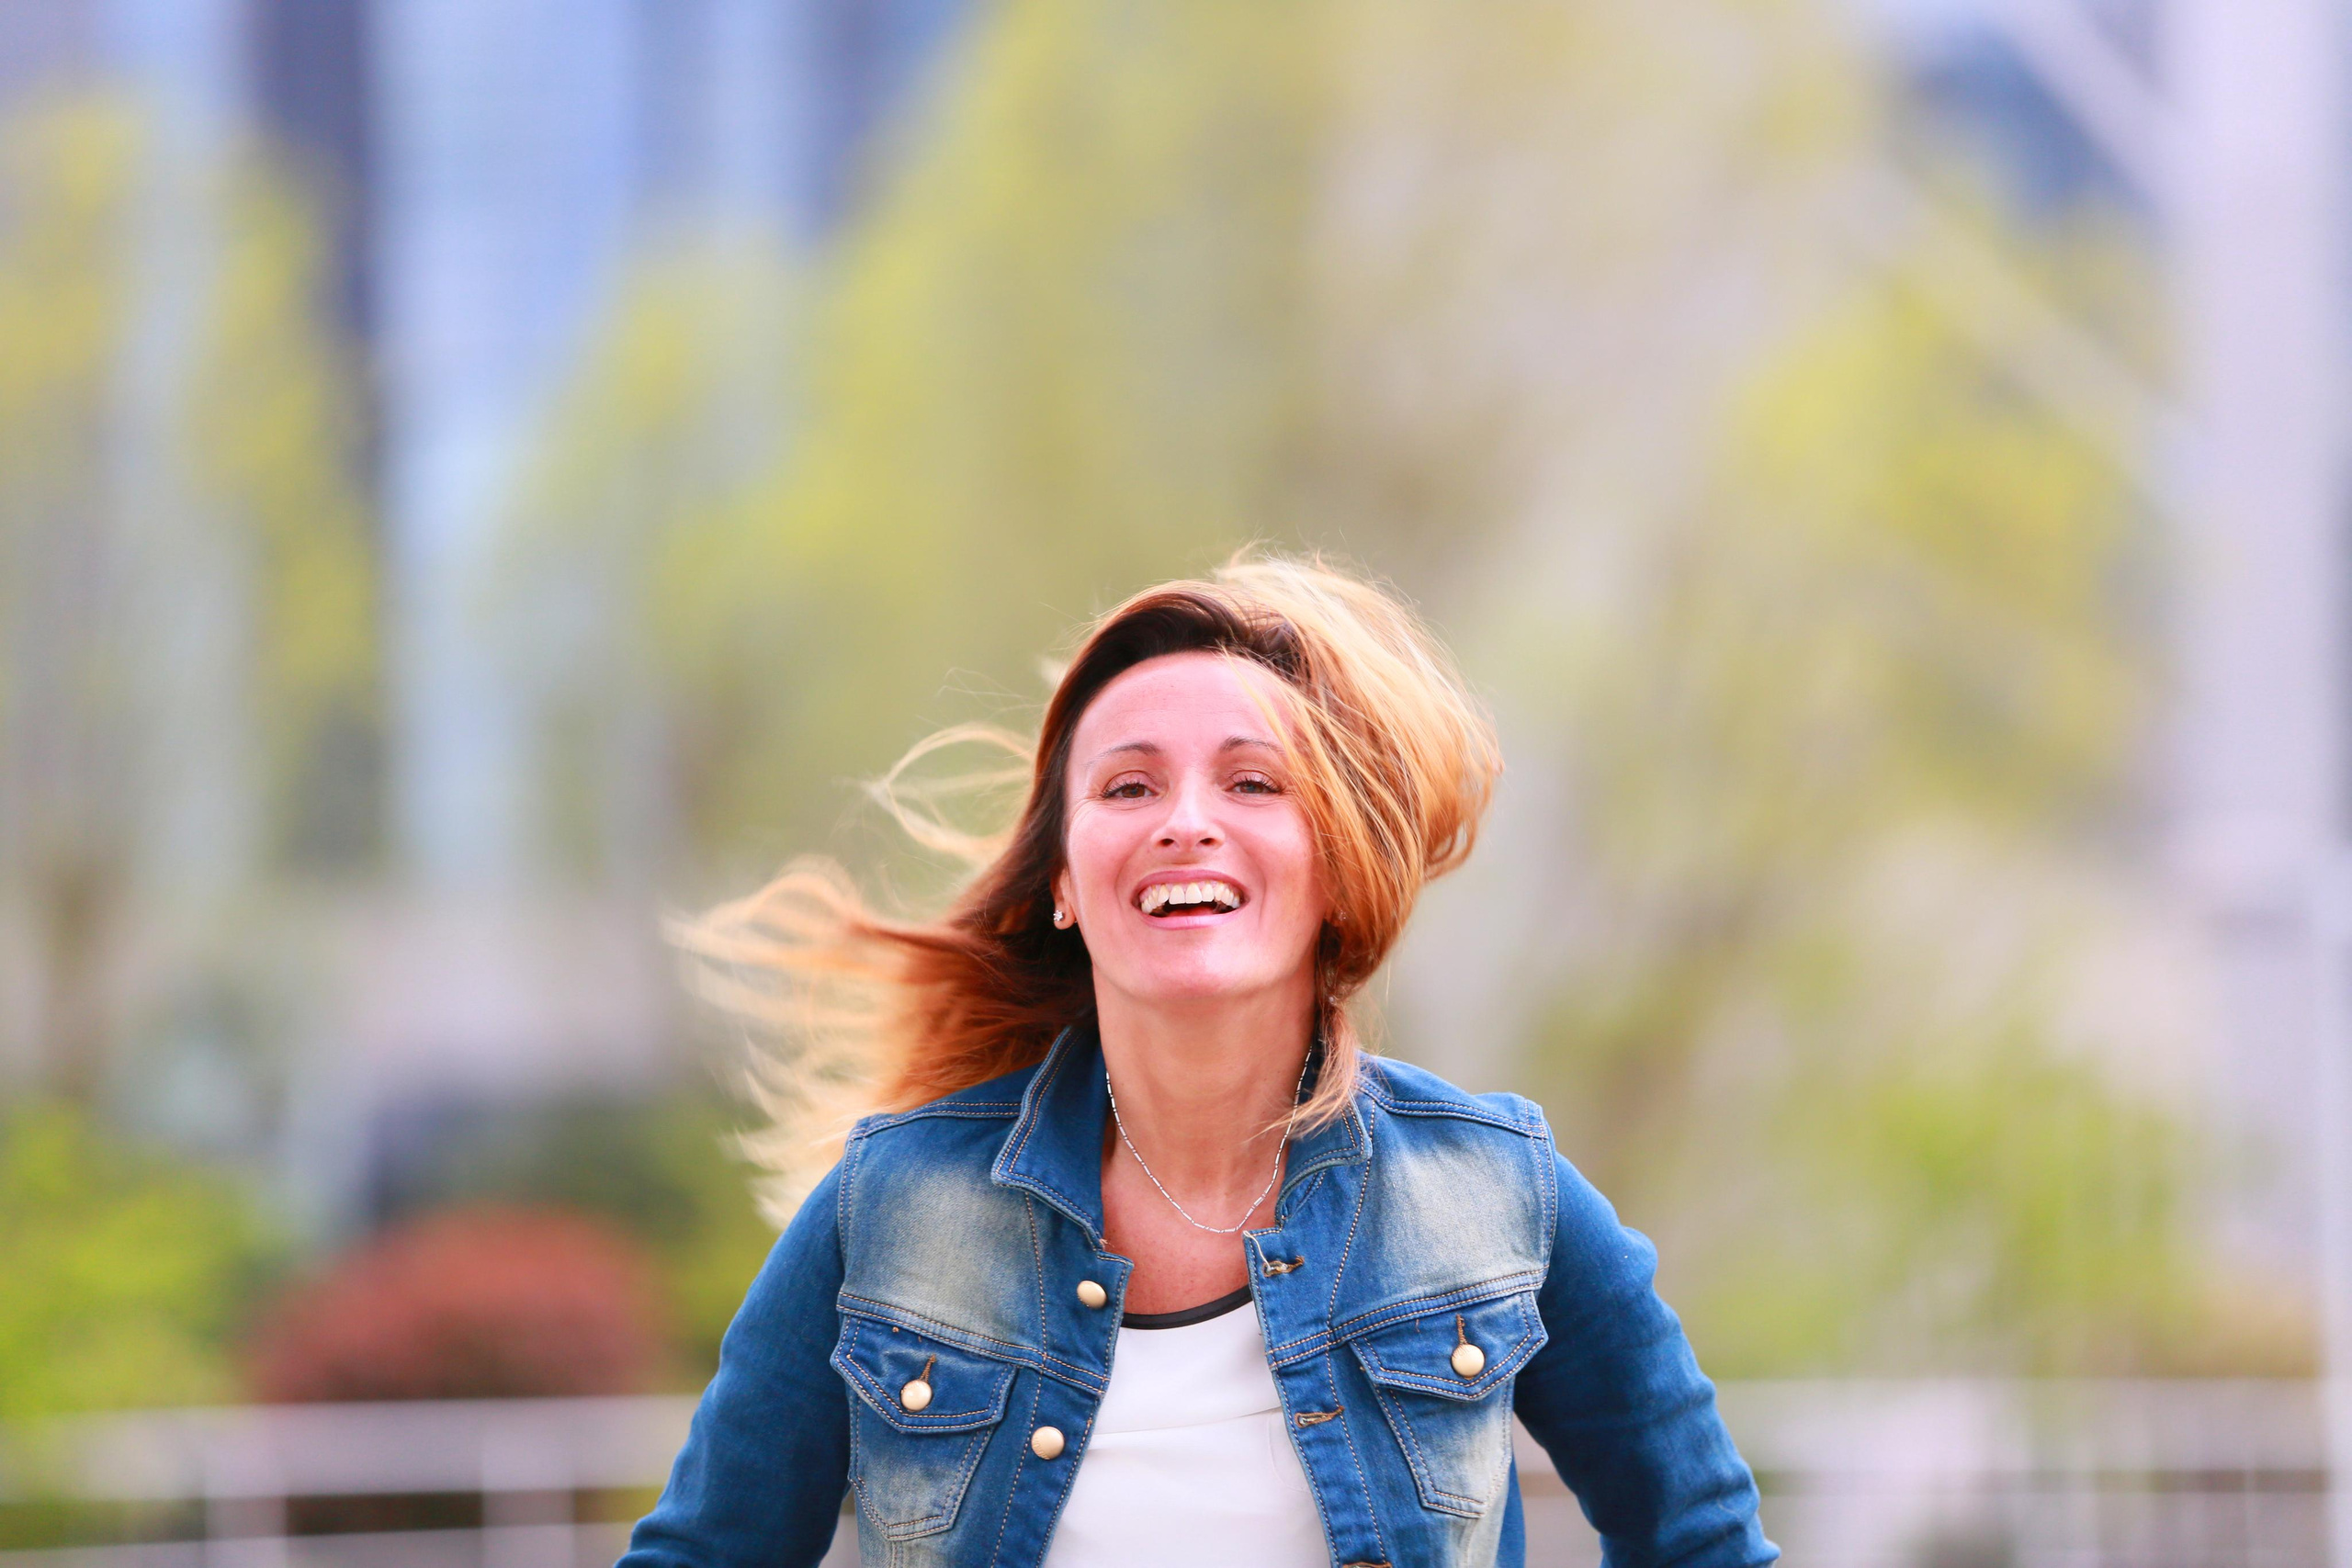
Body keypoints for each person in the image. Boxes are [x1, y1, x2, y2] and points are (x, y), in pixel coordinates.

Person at [619, 556, 1777, 1568]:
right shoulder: (887, 1212)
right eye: (1127, 786)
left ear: (1332, 864)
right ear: (1065, 882)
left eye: (1252, 782)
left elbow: (1703, 1544)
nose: (1185, 820)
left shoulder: (1496, 1192)